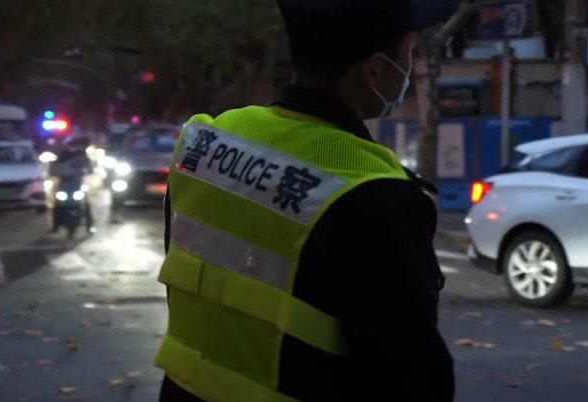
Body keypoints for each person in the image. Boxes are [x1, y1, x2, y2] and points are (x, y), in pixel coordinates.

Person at [155, 1, 459, 401]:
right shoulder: (375, 194)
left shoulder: (207, 141)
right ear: (374, 71)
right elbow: (415, 380)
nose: (410, 66)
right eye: (410, 52)